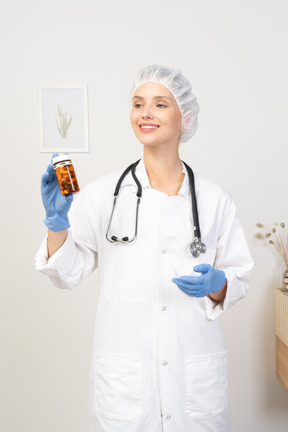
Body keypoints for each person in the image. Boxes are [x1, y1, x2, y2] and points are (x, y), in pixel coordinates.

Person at [35, 64, 253, 432]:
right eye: (138, 104)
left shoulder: (215, 200)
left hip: (193, 381)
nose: (145, 113)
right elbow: (67, 272)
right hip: (126, 386)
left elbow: (238, 278)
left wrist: (217, 282)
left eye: (160, 104)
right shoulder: (104, 194)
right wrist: (57, 225)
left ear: (186, 116)